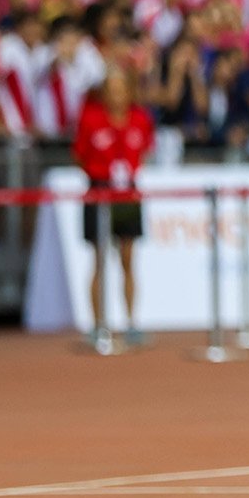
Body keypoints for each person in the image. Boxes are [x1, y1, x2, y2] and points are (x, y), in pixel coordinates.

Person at [73, 68, 154, 340]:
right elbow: (80, 155)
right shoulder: (91, 119)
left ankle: (131, 322)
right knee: (98, 260)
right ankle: (98, 324)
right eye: (112, 90)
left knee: (128, 260)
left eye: (122, 90)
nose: (117, 95)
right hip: (99, 190)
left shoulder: (140, 119)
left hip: (127, 193)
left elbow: (145, 150)